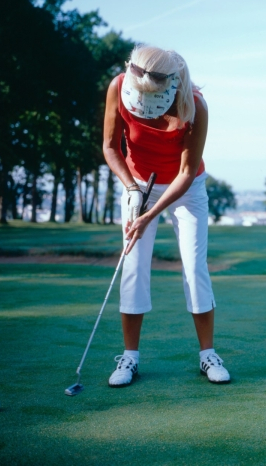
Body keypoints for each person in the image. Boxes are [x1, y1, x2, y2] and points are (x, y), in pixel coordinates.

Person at [102, 45, 230, 387]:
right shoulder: (117, 87)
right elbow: (111, 147)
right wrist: (131, 190)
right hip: (137, 182)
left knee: (193, 266)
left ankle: (208, 356)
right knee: (133, 265)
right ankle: (129, 358)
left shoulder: (195, 105)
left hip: (185, 188)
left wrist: (150, 213)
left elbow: (186, 173)